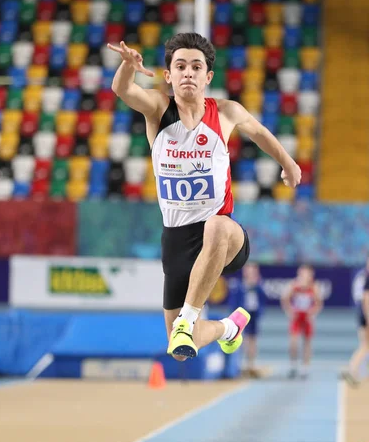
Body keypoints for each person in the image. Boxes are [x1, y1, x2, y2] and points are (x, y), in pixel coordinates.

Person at [108, 33, 301, 361]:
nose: (188, 73)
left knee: (216, 225)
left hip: (225, 238)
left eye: (196, 67)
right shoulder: (158, 110)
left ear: (207, 77)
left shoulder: (226, 113)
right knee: (181, 347)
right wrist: (128, 66)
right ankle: (229, 327)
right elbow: (123, 90)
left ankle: (187, 318)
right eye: (180, 66)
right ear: (168, 75)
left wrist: (288, 162)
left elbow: (259, 133)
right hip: (177, 239)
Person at [281, 264, 323, 379]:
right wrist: (289, 311)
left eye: (306, 274)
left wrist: (313, 312)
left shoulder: (314, 287)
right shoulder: (294, 285)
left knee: (307, 343)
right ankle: (293, 365)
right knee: (293, 343)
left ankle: (305, 367)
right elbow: (285, 299)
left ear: (310, 275)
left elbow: (319, 303)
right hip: (297, 317)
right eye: (301, 273)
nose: (304, 276)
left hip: (307, 317)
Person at [341, 258, 369, 387]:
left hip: (362, 313)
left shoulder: (362, 276)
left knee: (365, 345)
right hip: (365, 314)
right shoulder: (365, 277)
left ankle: (354, 371)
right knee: (365, 345)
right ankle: (352, 370)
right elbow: (365, 298)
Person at [236, 263, 266, 377]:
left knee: (253, 339)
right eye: (248, 270)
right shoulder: (240, 285)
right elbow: (235, 300)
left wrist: (260, 312)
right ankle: (240, 363)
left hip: (253, 314)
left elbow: (262, 299)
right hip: (241, 315)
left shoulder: (258, 286)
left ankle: (251, 364)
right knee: (242, 339)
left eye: (253, 271)